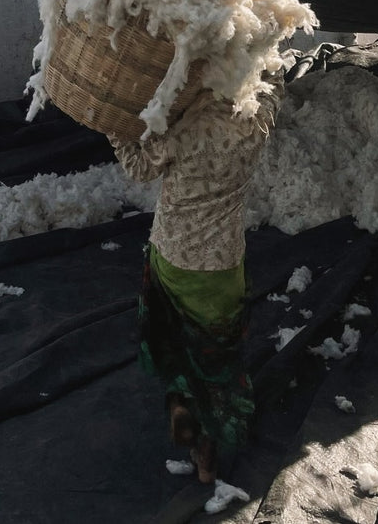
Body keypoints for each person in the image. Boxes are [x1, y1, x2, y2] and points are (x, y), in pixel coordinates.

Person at [110, 65, 283, 483]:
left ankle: (182, 403)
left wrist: (113, 127)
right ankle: (206, 449)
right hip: (221, 266)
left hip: (172, 256)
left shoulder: (183, 128)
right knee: (215, 355)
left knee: (175, 339)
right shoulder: (256, 122)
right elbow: (275, 84)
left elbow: (137, 167)